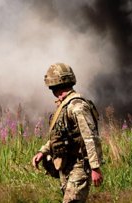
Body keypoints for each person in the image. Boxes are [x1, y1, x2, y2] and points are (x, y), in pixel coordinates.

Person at [32, 62, 103, 202]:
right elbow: (59, 134)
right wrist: (43, 152)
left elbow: (89, 137)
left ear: (55, 86)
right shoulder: (64, 105)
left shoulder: (77, 106)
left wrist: (95, 167)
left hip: (80, 166)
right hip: (67, 165)